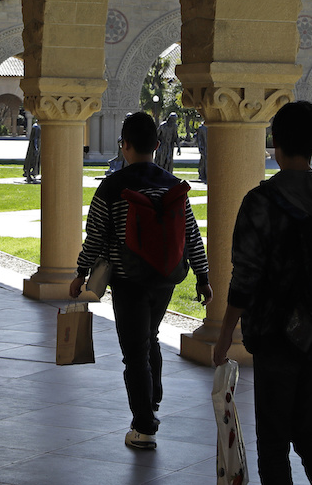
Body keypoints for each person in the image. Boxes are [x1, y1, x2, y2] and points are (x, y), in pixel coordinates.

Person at [212, 100, 312, 485]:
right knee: (309, 427)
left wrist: (225, 332)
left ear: (274, 142)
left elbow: (246, 276)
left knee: (273, 441)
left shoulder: (260, 202)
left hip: (277, 334)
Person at [71, 112, 212, 450]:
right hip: (165, 278)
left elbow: (95, 237)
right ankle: (153, 397)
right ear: (157, 145)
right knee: (150, 336)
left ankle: (144, 427)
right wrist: (203, 277)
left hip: (128, 279)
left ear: (125, 145)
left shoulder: (112, 187)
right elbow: (192, 235)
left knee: (134, 353)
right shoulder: (173, 186)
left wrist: (80, 273)